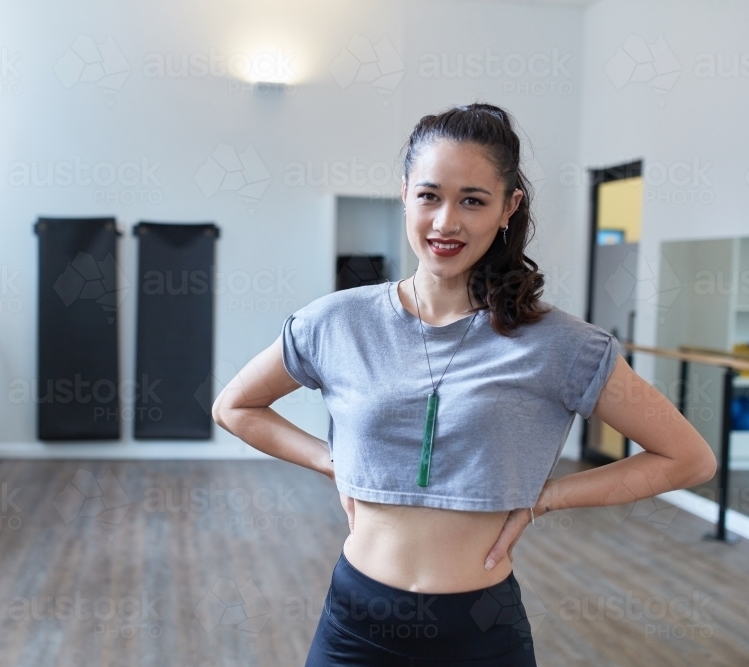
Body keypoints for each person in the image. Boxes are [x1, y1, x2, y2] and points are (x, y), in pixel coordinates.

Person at [211, 103, 717, 666]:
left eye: (472, 200)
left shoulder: (562, 344)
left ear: (509, 207)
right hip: (355, 625)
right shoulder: (336, 321)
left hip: (480, 633)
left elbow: (688, 459)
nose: (445, 222)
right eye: (429, 195)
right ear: (405, 194)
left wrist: (544, 500)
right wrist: (335, 462)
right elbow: (236, 406)